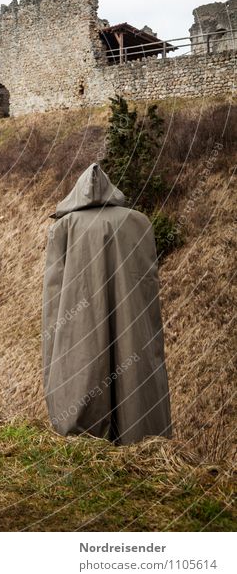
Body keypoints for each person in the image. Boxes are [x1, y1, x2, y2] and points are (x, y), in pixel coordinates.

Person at [42, 162, 172, 445]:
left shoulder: (65, 227)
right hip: (133, 318)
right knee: (133, 361)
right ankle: (139, 439)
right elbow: (147, 283)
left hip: (80, 319)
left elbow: (54, 292)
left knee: (84, 363)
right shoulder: (139, 222)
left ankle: (86, 437)